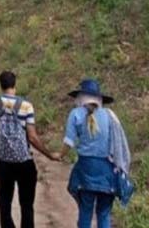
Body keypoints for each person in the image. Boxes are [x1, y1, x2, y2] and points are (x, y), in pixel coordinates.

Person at [0, 70, 60, 228]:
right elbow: (32, 137)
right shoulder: (26, 106)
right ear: (14, 85)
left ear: (1, 85)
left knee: (5, 206)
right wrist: (49, 155)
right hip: (24, 162)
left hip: (3, 163)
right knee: (26, 205)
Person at [59, 78, 131, 228]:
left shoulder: (75, 114)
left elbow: (69, 142)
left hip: (86, 170)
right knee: (104, 214)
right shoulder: (110, 115)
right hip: (108, 171)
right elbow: (118, 145)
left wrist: (59, 155)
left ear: (80, 97)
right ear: (99, 98)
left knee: (85, 211)